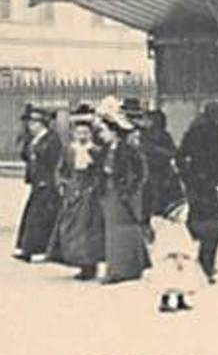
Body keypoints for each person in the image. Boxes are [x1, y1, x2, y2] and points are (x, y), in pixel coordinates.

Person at [178, 100, 218, 283]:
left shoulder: (193, 133)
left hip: (197, 182)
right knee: (214, 224)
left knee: (197, 219)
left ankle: (195, 261)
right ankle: (207, 263)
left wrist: (187, 177)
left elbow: (181, 156)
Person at [48, 105, 105, 281]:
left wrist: (94, 186)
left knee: (88, 230)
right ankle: (77, 261)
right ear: (74, 134)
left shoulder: (96, 151)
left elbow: (100, 172)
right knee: (70, 228)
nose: (82, 136)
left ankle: (90, 264)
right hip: (73, 193)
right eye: (79, 133)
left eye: (85, 133)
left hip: (90, 195)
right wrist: (62, 184)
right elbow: (60, 170)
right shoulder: (69, 150)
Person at [96, 96, 150, 284]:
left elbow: (139, 172)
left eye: (104, 131)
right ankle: (127, 267)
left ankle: (119, 270)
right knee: (115, 231)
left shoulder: (126, 149)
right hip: (111, 191)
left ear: (114, 132)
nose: (101, 135)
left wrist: (128, 190)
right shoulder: (109, 148)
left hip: (120, 193)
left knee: (120, 231)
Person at [13, 107, 64, 262]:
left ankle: (40, 250)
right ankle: (29, 248)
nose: (31, 126)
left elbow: (54, 162)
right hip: (37, 182)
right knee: (34, 216)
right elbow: (26, 157)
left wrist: (51, 180)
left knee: (43, 217)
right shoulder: (33, 140)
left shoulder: (52, 140)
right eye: (30, 123)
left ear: (43, 124)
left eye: (35, 123)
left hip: (48, 183)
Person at [139, 109, 183, 220]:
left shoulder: (164, 136)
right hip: (147, 168)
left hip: (162, 169)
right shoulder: (143, 135)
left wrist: (157, 150)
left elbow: (173, 152)